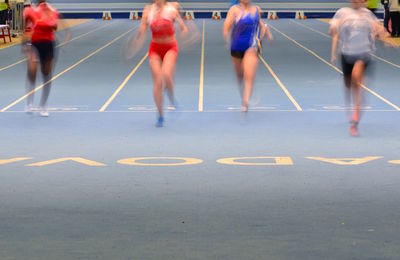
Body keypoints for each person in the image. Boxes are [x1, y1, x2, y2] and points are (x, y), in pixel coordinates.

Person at [330, 0, 395, 136]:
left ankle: (355, 120)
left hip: (364, 54)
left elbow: (378, 30)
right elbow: (333, 32)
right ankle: (351, 107)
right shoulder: (343, 13)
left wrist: (386, 38)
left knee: (356, 81)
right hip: (347, 54)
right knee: (348, 84)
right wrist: (334, 33)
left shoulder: (367, 15)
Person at [135, 0, 187, 127]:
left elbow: (182, 25)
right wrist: (140, 33)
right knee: (157, 81)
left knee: (167, 74)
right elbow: (143, 28)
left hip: (170, 47)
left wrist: (184, 29)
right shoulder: (148, 11)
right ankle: (160, 115)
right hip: (155, 49)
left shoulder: (172, 9)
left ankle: (172, 98)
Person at [223, 0, 271, 112]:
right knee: (240, 76)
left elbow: (260, 24)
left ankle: (245, 103)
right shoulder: (234, 10)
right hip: (236, 47)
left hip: (252, 47)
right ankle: (244, 94)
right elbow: (226, 28)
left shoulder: (256, 9)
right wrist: (227, 40)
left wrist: (266, 32)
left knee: (249, 74)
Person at [24, 0, 69, 116]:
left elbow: (54, 26)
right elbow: (26, 28)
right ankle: (29, 103)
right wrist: (25, 44)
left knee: (46, 75)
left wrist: (47, 18)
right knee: (32, 72)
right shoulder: (29, 10)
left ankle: (43, 106)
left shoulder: (51, 10)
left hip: (48, 44)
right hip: (34, 44)